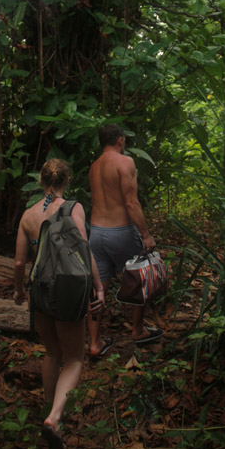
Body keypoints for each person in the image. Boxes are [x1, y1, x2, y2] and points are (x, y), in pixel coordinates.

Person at [14, 158, 104, 449]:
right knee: (75, 359)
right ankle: (54, 417)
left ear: (41, 180)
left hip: (39, 287)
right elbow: (83, 248)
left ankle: (49, 411)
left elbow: (18, 262)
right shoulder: (74, 208)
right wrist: (99, 285)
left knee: (52, 352)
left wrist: (18, 290)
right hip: (67, 289)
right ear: (67, 180)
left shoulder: (27, 215)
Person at [87, 124, 163, 357]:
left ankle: (95, 342)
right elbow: (131, 203)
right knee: (140, 278)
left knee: (98, 287)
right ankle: (138, 330)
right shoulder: (125, 162)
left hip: (96, 233)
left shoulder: (94, 167)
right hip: (120, 231)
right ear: (120, 140)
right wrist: (146, 235)